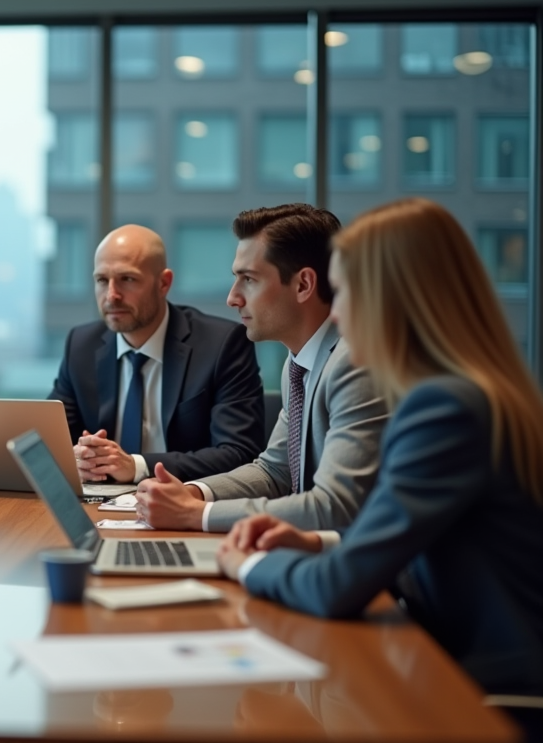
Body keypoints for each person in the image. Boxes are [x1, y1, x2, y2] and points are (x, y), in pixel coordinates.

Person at [217, 198, 543, 698]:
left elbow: (336, 589)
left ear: (391, 298)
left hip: (490, 693)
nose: (337, 312)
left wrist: (248, 565)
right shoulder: (468, 391)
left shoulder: (445, 408)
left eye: (344, 291)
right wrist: (317, 542)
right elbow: (426, 543)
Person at [136, 204, 387, 534]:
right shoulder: (298, 363)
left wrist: (196, 515)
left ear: (303, 285)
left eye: (248, 279)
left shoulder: (355, 363)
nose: (232, 298)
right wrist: (193, 492)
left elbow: (334, 508)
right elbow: (275, 471)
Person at [48, 224, 265, 483]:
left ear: (164, 283)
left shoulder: (221, 344)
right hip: (100, 505)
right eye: (102, 280)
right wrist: (78, 458)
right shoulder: (81, 345)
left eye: (127, 279)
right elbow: (50, 441)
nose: (112, 295)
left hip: (184, 503)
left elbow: (239, 453)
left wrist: (137, 466)